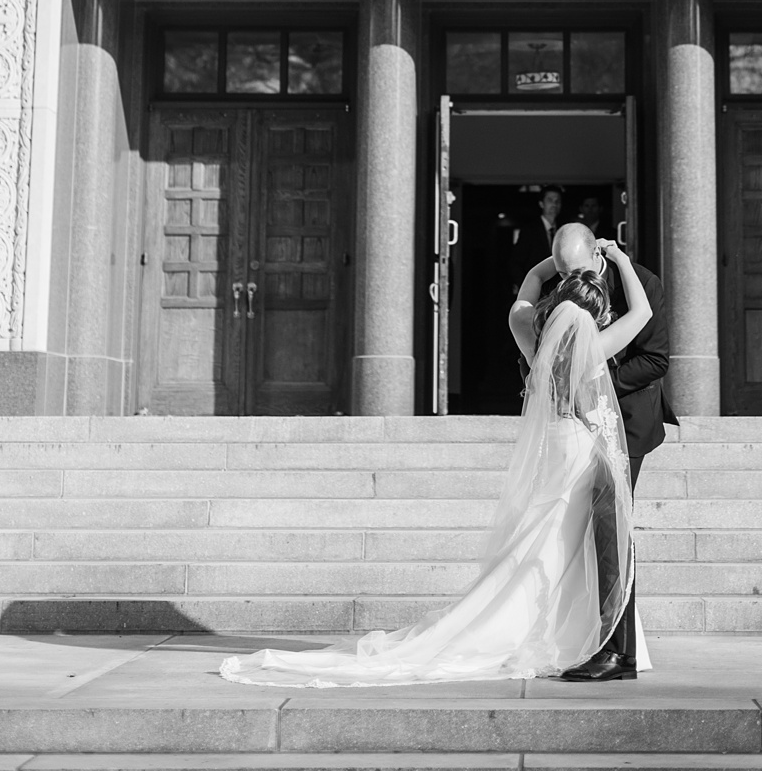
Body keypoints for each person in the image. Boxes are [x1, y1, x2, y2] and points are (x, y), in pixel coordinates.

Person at [217, 238, 651, 687]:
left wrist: (557, 265)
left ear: (557, 300)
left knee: (546, 537)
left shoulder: (529, 334)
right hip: (580, 450)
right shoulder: (593, 349)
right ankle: (575, 631)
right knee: (568, 544)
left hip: (554, 450)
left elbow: (529, 288)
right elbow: (643, 314)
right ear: (592, 316)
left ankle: (535, 625)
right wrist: (615, 259)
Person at [545, 223, 673, 682]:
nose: (569, 285)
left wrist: (593, 378)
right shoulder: (554, 284)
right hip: (573, 426)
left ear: (597, 256)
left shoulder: (643, 282)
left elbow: (656, 359)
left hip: (627, 422)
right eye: (561, 275)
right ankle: (587, 638)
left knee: (611, 529)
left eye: (576, 273)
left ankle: (619, 653)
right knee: (584, 531)